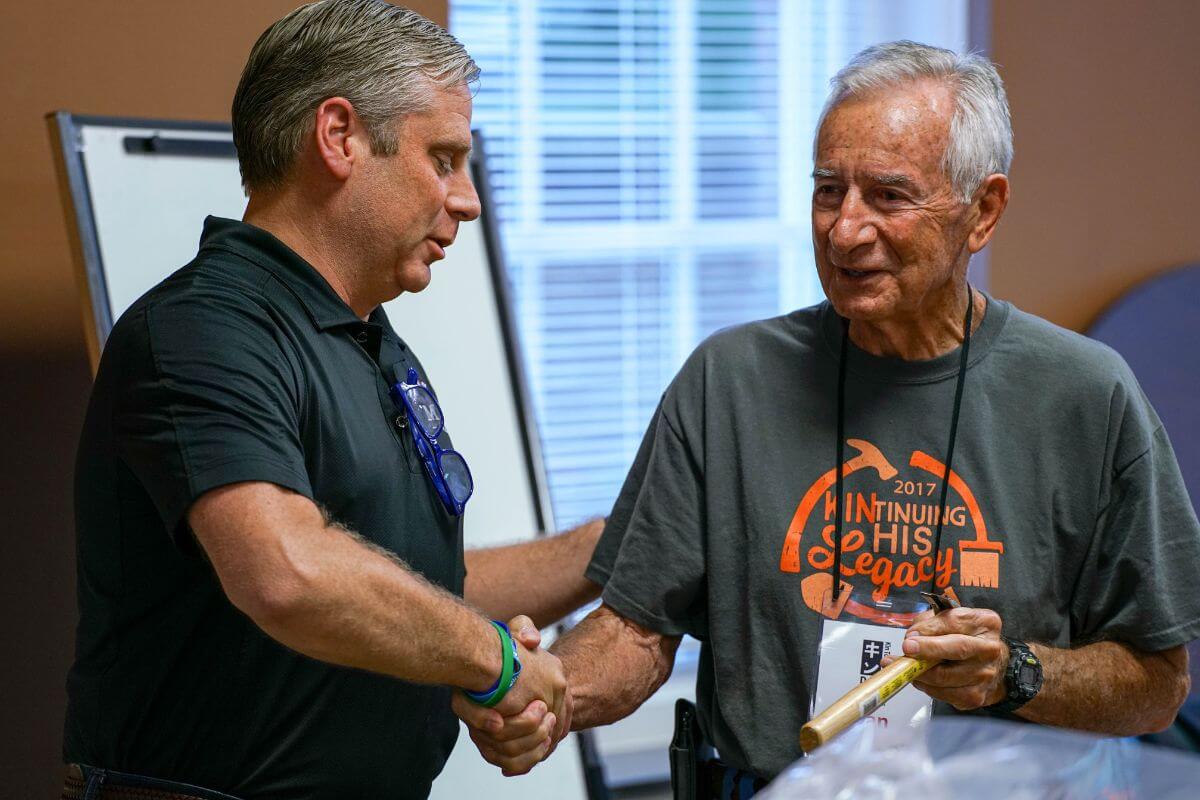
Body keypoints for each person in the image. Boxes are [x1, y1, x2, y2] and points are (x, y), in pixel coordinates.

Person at [455, 40, 1200, 790]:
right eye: (827, 190)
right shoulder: (729, 380)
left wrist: (1014, 673)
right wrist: (545, 694)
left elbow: (1157, 684)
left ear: (983, 211)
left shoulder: (1085, 395)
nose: (844, 230)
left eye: (889, 196)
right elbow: (635, 632)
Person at [63, 2, 600, 799]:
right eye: (443, 159)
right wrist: (493, 659)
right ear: (340, 136)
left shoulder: (373, 341)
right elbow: (288, 572)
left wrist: (617, 547)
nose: (468, 200)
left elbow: (419, 586)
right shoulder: (201, 329)